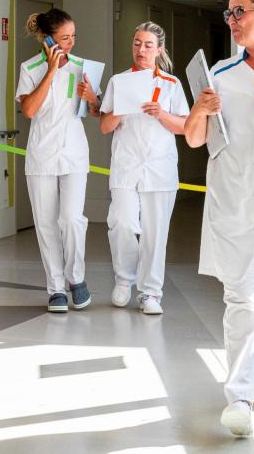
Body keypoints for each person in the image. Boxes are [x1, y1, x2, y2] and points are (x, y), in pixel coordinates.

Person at [185, 0, 254, 437]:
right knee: (244, 303)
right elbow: (194, 139)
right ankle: (239, 398)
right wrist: (201, 110)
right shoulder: (221, 74)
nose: (231, 20)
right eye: (228, 13)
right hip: (233, 208)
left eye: (238, 11)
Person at [99, 22, 188, 315]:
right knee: (122, 222)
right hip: (126, 165)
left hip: (160, 168)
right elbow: (104, 126)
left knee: (155, 232)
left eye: (148, 45)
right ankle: (124, 279)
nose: (141, 50)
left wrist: (161, 114)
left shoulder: (171, 84)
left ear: (159, 49)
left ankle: (150, 292)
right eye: (137, 43)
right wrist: (121, 110)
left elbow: (185, 126)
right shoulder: (119, 81)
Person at [15, 8, 99, 313]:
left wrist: (92, 98)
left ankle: (76, 278)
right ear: (47, 39)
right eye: (64, 38)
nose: (71, 43)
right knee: (46, 223)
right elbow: (29, 110)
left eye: (73, 36)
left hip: (74, 154)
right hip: (42, 156)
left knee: (72, 219)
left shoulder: (82, 67)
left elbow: (96, 113)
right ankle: (56, 288)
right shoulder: (30, 68)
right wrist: (51, 72)